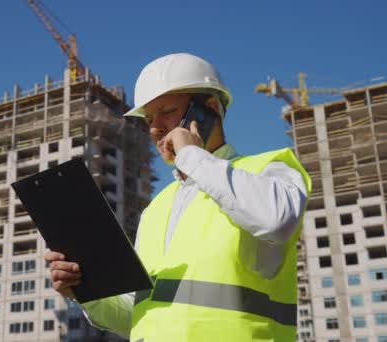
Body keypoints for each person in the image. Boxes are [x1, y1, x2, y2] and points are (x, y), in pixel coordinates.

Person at [45, 53, 312, 341]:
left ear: (210, 108)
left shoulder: (266, 170)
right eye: (148, 119)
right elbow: (136, 316)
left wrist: (191, 155)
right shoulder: (157, 208)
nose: (155, 128)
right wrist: (85, 292)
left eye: (167, 111)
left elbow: (276, 220)